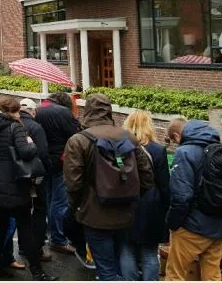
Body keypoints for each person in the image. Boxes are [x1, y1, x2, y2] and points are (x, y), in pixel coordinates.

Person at [63, 93, 154, 281]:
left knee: (106, 269)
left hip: (94, 215)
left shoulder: (78, 140)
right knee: (121, 263)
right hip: (125, 213)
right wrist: (130, 198)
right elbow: (146, 176)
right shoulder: (128, 136)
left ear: (87, 110)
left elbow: (73, 183)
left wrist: (78, 207)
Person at [0, 96, 56, 281]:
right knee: (25, 227)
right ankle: (37, 272)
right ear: (14, 111)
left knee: (0, 226)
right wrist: (32, 144)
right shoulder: (17, 127)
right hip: (15, 183)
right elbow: (26, 152)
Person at [164, 118, 222, 281]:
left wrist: (172, 223)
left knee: (176, 275)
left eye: (173, 141)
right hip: (219, 225)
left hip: (191, 226)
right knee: (212, 275)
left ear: (177, 136)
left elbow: (181, 196)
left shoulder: (185, 152)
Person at [120, 110, 170, 281]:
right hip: (151, 203)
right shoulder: (158, 150)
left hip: (125, 201)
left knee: (127, 249)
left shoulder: (120, 147)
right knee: (149, 252)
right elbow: (164, 184)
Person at [35, 91, 80, 255]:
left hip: (43, 160)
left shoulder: (38, 110)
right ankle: (58, 239)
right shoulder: (63, 112)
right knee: (60, 201)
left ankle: (50, 230)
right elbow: (75, 135)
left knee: (48, 197)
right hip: (61, 160)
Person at [16, 98, 52, 263]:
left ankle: (23, 246)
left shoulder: (13, 125)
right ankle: (36, 248)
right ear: (33, 111)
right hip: (35, 175)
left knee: (22, 212)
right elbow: (44, 153)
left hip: (17, 175)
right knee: (39, 209)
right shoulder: (36, 127)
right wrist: (47, 172)